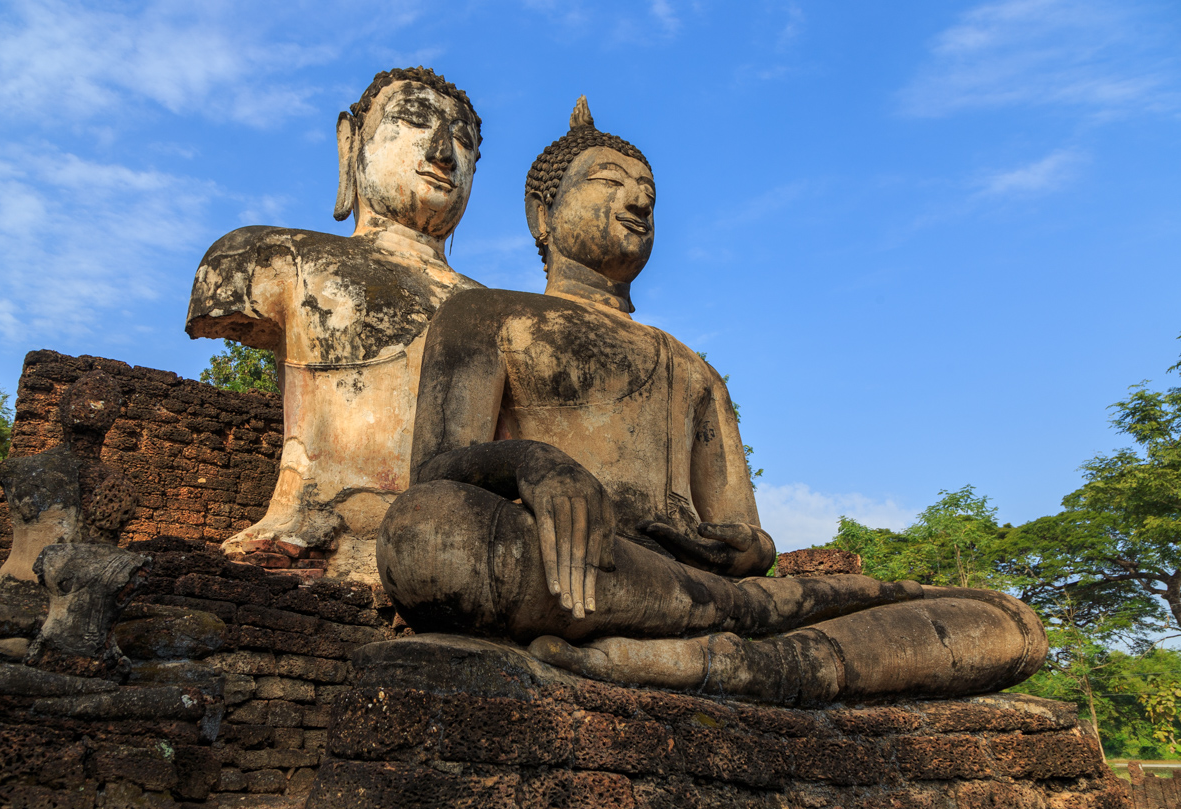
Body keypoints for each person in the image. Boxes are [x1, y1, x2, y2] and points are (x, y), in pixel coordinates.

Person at [376, 98, 1047, 705]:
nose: (638, 202)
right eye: (610, 183)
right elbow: (436, 469)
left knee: (1006, 624)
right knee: (431, 533)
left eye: (648, 194)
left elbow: (750, 539)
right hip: (580, 570)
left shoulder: (691, 366)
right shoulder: (486, 315)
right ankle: (736, 661)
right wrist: (535, 463)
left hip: (709, 594)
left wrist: (731, 545)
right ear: (540, 214)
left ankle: (710, 663)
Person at [186, 68, 484, 580]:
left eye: (462, 141)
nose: (442, 152)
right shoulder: (276, 256)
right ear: (350, 142)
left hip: (459, 551)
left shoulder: (491, 310)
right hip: (310, 537)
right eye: (414, 120)